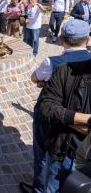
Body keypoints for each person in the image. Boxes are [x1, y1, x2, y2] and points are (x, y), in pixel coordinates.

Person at [20, 19, 91, 193]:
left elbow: (35, 78)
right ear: (88, 39)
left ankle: (39, 187)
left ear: (61, 39)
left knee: (42, 153)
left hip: (53, 120)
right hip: (75, 131)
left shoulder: (53, 62)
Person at [39, 41, 91, 192]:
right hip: (60, 155)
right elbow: (47, 108)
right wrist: (86, 120)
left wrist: (66, 118)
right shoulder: (65, 71)